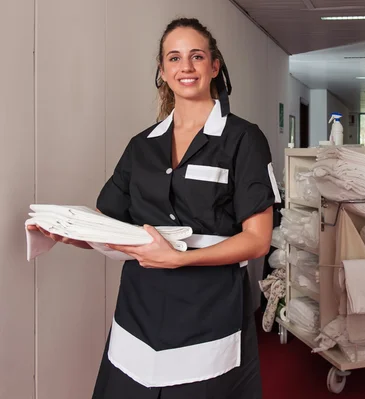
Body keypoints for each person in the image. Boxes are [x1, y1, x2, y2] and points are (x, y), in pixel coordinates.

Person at [27, 17, 279, 398]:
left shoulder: (243, 139)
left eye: (196, 56)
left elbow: (258, 241)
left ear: (214, 66)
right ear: (162, 71)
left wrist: (180, 259)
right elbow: (113, 229)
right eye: (174, 58)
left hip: (209, 308)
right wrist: (66, 232)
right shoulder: (141, 146)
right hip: (139, 311)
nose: (186, 67)